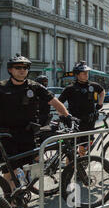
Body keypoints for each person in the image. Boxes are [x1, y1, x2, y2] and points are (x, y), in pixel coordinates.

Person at [0, 54, 71, 193]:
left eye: (25, 67)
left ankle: (22, 190)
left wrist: (67, 116)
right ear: (10, 70)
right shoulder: (1, 87)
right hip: (6, 134)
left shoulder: (34, 86)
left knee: (30, 165)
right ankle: (13, 202)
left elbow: (53, 101)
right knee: (10, 171)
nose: (22, 70)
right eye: (18, 67)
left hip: (28, 133)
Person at [58, 61, 105, 156]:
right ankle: (70, 168)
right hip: (75, 122)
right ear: (77, 75)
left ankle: (81, 165)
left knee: (85, 145)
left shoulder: (92, 85)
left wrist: (100, 104)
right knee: (72, 149)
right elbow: (59, 103)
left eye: (87, 73)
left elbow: (102, 91)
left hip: (89, 121)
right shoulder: (70, 88)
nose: (86, 75)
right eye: (84, 73)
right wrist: (63, 116)